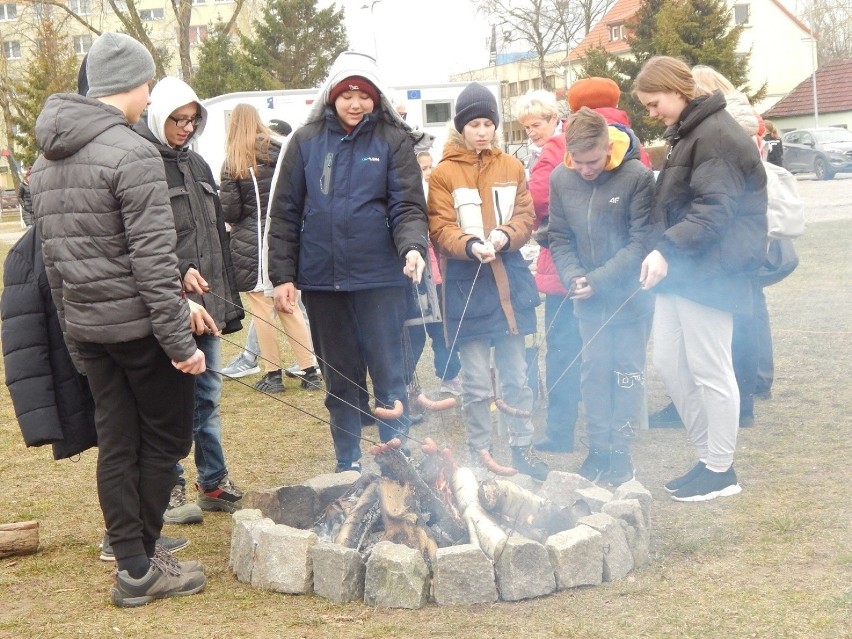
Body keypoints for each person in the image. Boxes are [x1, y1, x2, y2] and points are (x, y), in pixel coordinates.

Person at [29, 32, 207, 605]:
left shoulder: (45, 158)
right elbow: (154, 264)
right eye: (149, 84)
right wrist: (181, 345)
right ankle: (139, 565)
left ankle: (133, 558)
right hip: (139, 332)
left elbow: (53, 265)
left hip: (88, 328)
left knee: (118, 443)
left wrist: (77, 341)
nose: (150, 94)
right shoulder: (133, 152)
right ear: (133, 86)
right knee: (165, 438)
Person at [267, 51, 428, 473]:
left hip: (380, 279)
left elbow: (408, 207)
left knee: (390, 373)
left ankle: (397, 458)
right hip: (322, 282)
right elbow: (283, 212)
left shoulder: (393, 141)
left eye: (364, 95)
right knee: (340, 378)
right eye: (347, 95)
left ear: (376, 98)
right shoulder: (304, 141)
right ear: (332, 97)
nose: (355, 103)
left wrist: (413, 248)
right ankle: (348, 462)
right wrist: (282, 275)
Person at [634, 56, 767, 502]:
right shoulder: (689, 132)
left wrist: (665, 248)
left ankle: (721, 468)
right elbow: (673, 202)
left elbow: (713, 211)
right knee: (669, 363)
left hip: (714, 269)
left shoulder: (716, 135)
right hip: (684, 267)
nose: (652, 114)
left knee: (711, 369)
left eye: (654, 103)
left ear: (676, 89)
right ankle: (708, 455)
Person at [136, 76, 246, 522]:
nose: (184, 127)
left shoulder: (200, 166)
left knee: (209, 397)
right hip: (168, 305)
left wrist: (224, 298)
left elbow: (215, 237)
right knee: (170, 401)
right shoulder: (142, 164)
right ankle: (172, 487)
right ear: (159, 116)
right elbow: (146, 239)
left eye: (191, 120)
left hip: (209, 305)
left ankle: (213, 480)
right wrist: (180, 272)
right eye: (177, 120)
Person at [427, 81, 549, 480]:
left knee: (517, 375)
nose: (482, 131)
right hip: (466, 283)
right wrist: (469, 244)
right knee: (477, 382)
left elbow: (526, 216)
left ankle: (522, 447)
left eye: (487, 123)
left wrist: (505, 235)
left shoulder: (512, 167)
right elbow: (440, 226)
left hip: (508, 281)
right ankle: (481, 454)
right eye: (474, 124)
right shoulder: (443, 173)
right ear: (461, 127)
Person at [548, 107, 657, 487]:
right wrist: (574, 276)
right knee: (594, 374)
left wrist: (600, 279)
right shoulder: (562, 178)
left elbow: (642, 242)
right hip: (588, 303)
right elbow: (559, 237)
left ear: (607, 146)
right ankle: (598, 450)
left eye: (592, 161)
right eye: (578, 162)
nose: (585, 170)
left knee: (626, 374)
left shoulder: (637, 176)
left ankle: (621, 453)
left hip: (630, 299)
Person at [219, 103, 321, 393]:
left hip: (251, 242)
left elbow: (231, 211)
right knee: (289, 306)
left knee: (262, 312)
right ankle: (310, 369)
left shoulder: (233, 161)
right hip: (283, 237)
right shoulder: (281, 152)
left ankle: (273, 374)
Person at [515, 88, 582, 453]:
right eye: (526, 128)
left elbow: (536, 197)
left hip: (561, 259)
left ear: (554, 119)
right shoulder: (573, 141)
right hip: (578, 256)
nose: (532, 132)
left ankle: (560, 431)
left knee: (562, 348)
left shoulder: (554, 150)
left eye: (536, 124)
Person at [404, 150, 463, 400]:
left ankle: (449, 375)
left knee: (443, 331)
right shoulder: (406, 198)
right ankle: (405, 380)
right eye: (422, 168)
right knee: (413, 333)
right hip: (414, 278)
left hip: (439, 277)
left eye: (430, 167)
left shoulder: (438, 194)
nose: (428, 173)